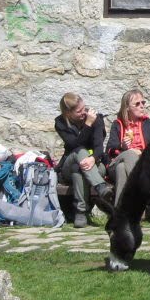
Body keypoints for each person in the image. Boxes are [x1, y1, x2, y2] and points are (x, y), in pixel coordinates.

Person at [54, 92, 109, 228]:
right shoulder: (60, 123)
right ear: (68, 113)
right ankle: (100, 186)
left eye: (84, 108)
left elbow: (99, 147)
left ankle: (80, 212)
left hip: (94, 165)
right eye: (79, 111)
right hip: (70, 161)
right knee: (80, 152)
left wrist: (93, 159)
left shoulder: (96, 118)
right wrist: (88, 124)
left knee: (78, 170)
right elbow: (75, 145)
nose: (84, 113)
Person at [103, 88, 150, 206]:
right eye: (137, 104)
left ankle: (121, 213)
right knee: (129, 155)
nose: (142, 106)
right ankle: (148, 195)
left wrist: (140, 152)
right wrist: (122, 146)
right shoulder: (117, 125)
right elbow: (109, 150)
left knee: (121, 169)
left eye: (143, 103)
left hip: (143, 164)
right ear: (127, 107)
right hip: (117, 161)